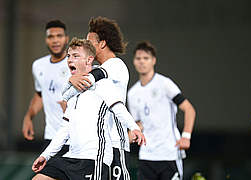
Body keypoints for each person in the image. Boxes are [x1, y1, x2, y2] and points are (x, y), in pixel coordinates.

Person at [32, 37, 145, 180]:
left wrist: (134, 127)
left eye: (75, 56)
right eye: (68, 56)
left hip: (94, 158)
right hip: (71, 156)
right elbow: (64, 128)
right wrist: (45, 155)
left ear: (89, 60)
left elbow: (118, 108)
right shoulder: (73, 91)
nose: (69, 60)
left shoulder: (103, 84)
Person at [68, 16, 141, 180]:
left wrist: (74, 79)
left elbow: (91, 77)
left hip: (116, 142)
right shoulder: (98, 67)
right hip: (98, 146)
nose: (86, 46)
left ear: (102, 43)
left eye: (90, 42)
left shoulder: (116, 65)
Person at [127, 41, 196, 180]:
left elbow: (189, 109)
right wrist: (128, 136)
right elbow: (139, 124)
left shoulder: (165, 84)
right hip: (146, 155)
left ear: (153, 61)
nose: (142, 62)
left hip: (168, 153)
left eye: (146, 58)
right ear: (134, 62)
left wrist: (186, 136)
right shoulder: (132, 93)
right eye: (138, 58)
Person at [22, 19, 70, 155]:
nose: (55, 40)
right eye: (51, 36)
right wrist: (28, 116)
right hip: (51, 138)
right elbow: (40, 94)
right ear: (46, 40)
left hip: (75, 139)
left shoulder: (75, 63)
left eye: (59, 36)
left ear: (66, 39)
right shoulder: (38, 65)